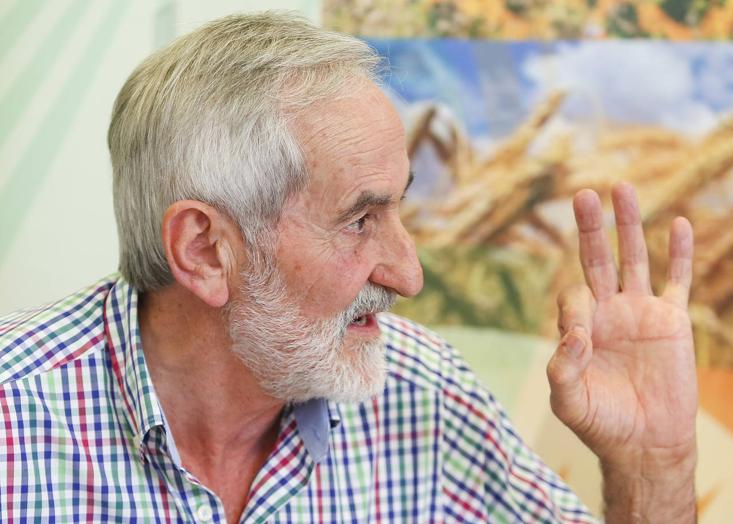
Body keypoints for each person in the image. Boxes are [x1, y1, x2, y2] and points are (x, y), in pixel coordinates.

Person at [0, 12, 696, 523]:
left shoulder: (423, 394)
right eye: (361, 219)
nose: (408, 273)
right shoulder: (14, 423)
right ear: (206, 250)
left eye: (400, 208)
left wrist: (650, 466)